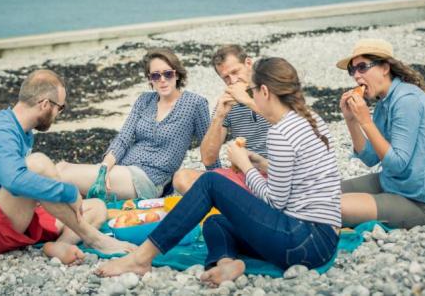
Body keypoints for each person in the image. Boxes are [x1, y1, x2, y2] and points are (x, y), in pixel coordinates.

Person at [95, 57, 341, 285]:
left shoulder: (281, 133)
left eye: (253, 90)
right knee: (216, 222)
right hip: (321, 241)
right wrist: (260, 164)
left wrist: (243, 164)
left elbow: (275, 201)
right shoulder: (309, 119)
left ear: (264, 91)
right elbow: (300, 178)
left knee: (210, 182)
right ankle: (226, 263)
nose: (251, 95)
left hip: (303, 243)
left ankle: (141, 258)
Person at [0, 69, 134, 263]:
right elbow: (13, 180)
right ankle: (95, 239)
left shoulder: (21, 129)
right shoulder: (2, 131)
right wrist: (69, 192)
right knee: (37, 164)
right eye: (60, 108)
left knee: (96, 207)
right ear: (45, 104)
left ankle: (62, 244)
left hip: (12, 214)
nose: (58, 114)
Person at [56, 48, 210, 200]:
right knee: (60, 168)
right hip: (121, 168)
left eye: (168, 74)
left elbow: (209, 145)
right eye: (156, 76)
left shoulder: (195, 103)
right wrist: (105, 168)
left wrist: (219, 180)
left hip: (149, 178)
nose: (162, 80)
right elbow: (124, 138)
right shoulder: (144, 100)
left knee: (62, 175)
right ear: (150, 79)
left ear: (177, 74)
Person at [337, 39, 425, 229]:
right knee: (321, 193)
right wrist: (351, 120)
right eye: (352, 70)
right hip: (390, 183)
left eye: (362, 67)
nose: (356, 76)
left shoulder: (406, 100)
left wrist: (365, 121)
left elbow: (397, 164)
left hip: (417, 201)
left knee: (330, 208)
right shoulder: (384, 102)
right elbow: (370, 158)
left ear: (385, 68)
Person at [172, 45, 271, 194]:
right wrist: (219, 116)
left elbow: (292, 122)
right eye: (226, 77)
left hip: (277, 173)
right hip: (243, 176)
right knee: (182, 178)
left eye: (235, 72)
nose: (232, 81)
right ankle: (243, 203)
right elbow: (208, 159)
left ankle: (239, 203)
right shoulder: (228, 103)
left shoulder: (271, 89)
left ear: (249, 64)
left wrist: (248, 102)